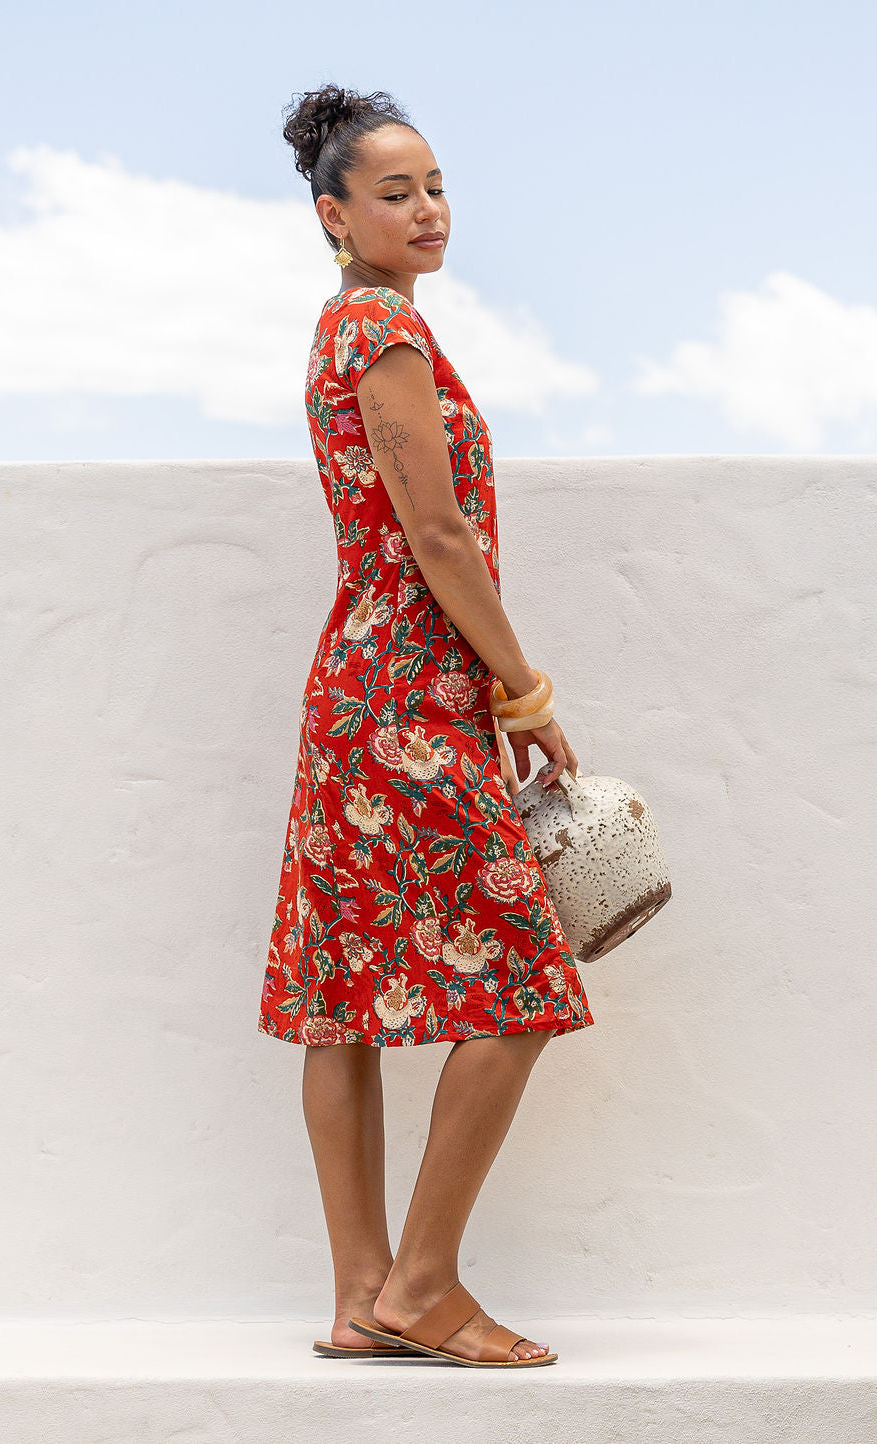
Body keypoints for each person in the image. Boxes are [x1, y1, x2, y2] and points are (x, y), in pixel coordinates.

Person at [259, 83, 596, 1369]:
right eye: (394, 193)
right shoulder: (380, 332)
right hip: (405, 692)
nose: (427, 209)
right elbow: (437, 530)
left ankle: (363, 1293)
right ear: (334, 214)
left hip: (360, 687)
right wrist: (526, 691)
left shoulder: (346, 330)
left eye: (436, 186)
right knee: (518, 980)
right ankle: (425, 1287)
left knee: (340, 994)